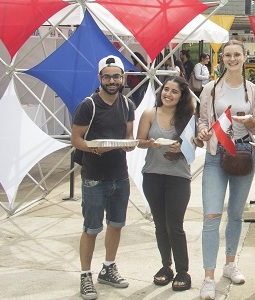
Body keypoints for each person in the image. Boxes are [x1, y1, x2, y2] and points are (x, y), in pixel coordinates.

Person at [196, 40, 255, 300]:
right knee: (211, 215)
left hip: (244, 154)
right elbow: (202, 121)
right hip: (216, 155)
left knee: (235, 213)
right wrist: (202, 130)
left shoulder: (253, 90)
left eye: (237, 55)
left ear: (245, 58)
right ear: (221, 59)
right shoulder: (211, 89)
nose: (232, 59)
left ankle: (230, 263)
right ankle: (208, 276)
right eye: (227, 55)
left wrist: (251, 121)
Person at [71, 55, 136, 300]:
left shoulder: (128, 105)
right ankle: (85, 275)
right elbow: (75, 139)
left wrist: (130, 145)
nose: (112, 81)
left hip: (120, 175)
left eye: (116, 76)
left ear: (123, 78)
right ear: (100, 78)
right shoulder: (89, 105)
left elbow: (128, 135)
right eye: (107, 76)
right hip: (94, 177)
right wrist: (92, 148)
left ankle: (108, 267)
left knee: (116, 225)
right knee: (91, 228)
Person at [136, 76, 195, 292]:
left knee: (175, 226)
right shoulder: (150, 114)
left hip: (178, 177)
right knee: (160, 225)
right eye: (166, 89)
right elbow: (139, 142)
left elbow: (193, 149)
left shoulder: (188, 117)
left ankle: (182, 271)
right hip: (152, 175)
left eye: (174, 92)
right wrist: (150, 143)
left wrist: (181, 148)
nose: (168, 94)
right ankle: (165, 267)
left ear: (181, 96)